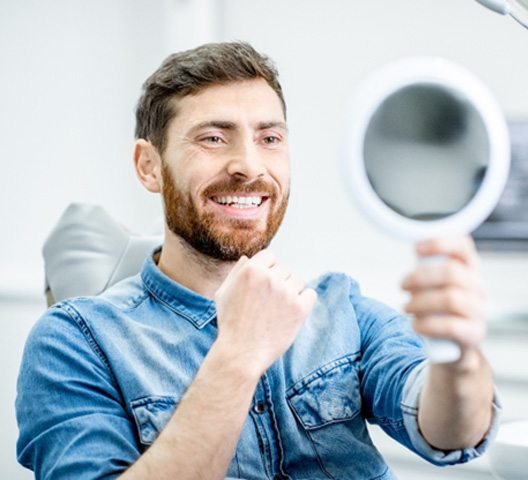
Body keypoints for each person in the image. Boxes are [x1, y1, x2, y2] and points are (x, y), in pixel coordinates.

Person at [16, 41, 500, 480]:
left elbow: (450, 432)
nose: (249, 165)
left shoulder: (341, 308)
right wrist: (237, 356)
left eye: (269, 138)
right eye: (213, 138)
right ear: (149, 165)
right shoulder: (74, 341)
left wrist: (456, 356)